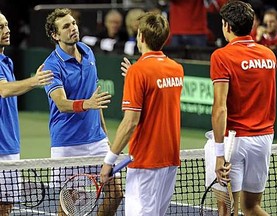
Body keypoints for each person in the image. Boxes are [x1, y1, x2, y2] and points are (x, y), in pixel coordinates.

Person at [100, 12, 184, 216]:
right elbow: (156, 97)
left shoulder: (139, 72)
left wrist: (109, 161)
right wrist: (134, 76)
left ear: (141, 37)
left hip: (146, 161)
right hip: (170, 160)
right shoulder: (176, 69)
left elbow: (130, 122)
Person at [43, 8, 122, 216]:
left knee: (116, 192)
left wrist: (106, 138)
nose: (73, 29)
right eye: (66, 26)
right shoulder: (52, 65)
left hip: (96, 141)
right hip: (67, 145)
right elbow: (61, 103)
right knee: (68, 206)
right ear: (55, 35)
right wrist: (87, 103)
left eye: (73, 24)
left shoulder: (87, 52)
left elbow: (95, 99)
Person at [206, 1, 276, 215]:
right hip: (263, 140)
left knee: (226, 210)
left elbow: (220, 108)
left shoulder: (222, 56)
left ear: (227, 26)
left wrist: (219, 154)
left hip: (232, 143)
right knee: (251, 206)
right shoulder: (269, 55)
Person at [0, 11, 53, 216]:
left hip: (9, 147)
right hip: (2, 150)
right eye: (1, 27)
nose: (8, 30)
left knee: (5, 207)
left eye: (6, 25)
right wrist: (35, 81)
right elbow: (4, 89)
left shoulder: (6, 61)